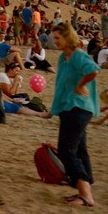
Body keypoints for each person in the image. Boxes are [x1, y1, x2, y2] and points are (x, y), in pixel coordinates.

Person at [49, 22, 99, 208]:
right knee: (79, 150)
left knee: (66, 150)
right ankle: (84, 190)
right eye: (54, 38)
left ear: (67, 37)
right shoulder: (64, 57)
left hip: (79, 107)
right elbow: (62, 83)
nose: (55, 42)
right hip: (69, 107)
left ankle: (86, 195)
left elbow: (93, 70)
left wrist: (80, 85)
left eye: (58, 38)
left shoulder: (78, 55)